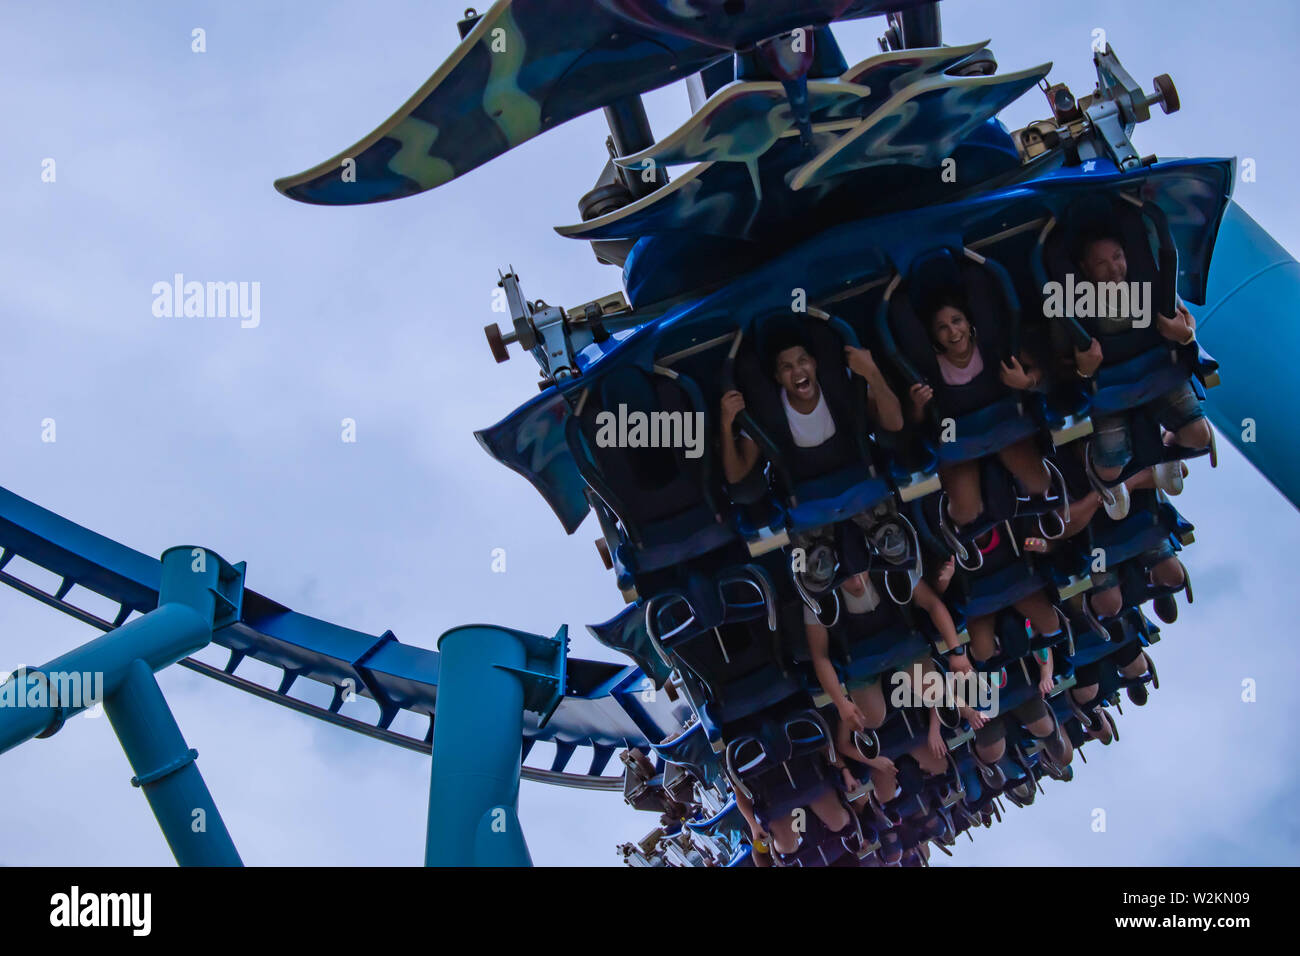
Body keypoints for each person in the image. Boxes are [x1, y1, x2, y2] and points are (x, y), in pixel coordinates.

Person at [1069, 229, 1211, 512]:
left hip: (1157, 373)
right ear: (1085, 269)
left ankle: (1166, 451)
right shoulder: (1072, 304)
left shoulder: (1149, 282)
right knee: (1109, 470)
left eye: (1117, 257)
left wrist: (1184, 334)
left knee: (1199, 436)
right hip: (1109, 387)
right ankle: (1116, 477)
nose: (1113, 269)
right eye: (1101, 263)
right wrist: (1083, 369)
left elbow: (1187, 320)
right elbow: (1061, 362)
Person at [909, 294, 1055, 532]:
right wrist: (918, 405)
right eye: (942, 328)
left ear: (969, 322)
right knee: (965, 514)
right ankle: (961, 524)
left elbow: (1044, 371)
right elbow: (916, 423)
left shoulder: (994, 346)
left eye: (957, 321)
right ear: (934, 336)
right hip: (957, 433)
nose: (953, 331)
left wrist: (1027, 381)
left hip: (1003, 423)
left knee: (1040, 483)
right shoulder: (928, 366)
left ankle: (1034, 499)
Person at [719, 323, 903, 487]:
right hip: (805, 495)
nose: (797, 371)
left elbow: (895, 423)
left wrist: (872, 373)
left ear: (814, 364)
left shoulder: (842, 382)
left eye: (802, 361)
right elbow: (735, 475)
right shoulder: (767, 409)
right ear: (778, 378)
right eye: (787, 367)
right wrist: (726, 424)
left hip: (860, 478)